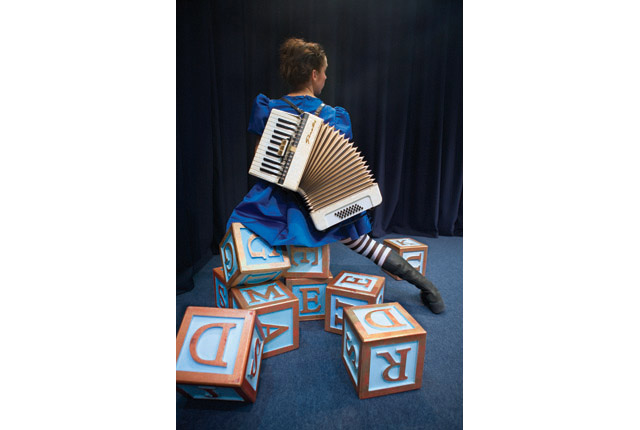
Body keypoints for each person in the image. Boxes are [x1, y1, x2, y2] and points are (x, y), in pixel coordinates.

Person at [226, 37, 445, 314]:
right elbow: (338, 162)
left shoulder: (269, 108)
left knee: (244, 227)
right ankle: (429, 289)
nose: (326, 77)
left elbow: (261, 159)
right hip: (322, 204)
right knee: (363, 243)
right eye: (324, 72)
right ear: (314, 74)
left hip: (277, 201)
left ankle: (260, 293)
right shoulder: (333, 116)